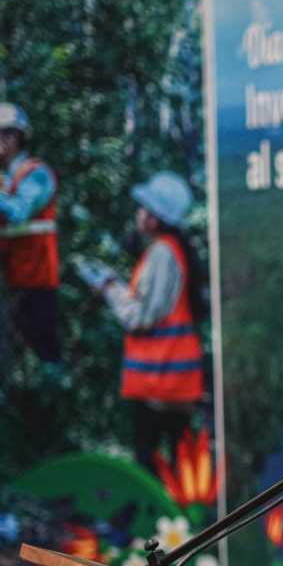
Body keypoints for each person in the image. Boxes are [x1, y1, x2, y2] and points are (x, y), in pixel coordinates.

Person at [89, 171, 204, 475]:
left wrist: (111, 291)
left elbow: (142, 317)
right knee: (180, 461)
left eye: (143, 209)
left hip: (159, 379)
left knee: (150, 463)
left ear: (154, 218)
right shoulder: (172, 250)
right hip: (171, 379)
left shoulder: (162, 254)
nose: (138, 215)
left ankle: (159, 521)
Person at [0, 102, 61, 364]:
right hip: (11, 282)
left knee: (44, 352)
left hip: (37, 283)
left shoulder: (36, 174)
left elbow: (18, 213)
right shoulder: (2, 180)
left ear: (13, 137)